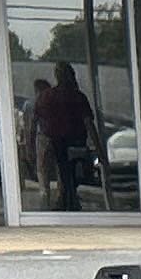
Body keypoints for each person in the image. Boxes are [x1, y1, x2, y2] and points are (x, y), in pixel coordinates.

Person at [37, 61, 97, 211]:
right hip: (69, 144)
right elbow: (89, 124)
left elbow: (36, 123)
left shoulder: (47, 96)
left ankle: (61, 201)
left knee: (62, 177)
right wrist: (99, 149)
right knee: (67, 178)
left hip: (58, 144)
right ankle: (65, 201)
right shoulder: (77, 97)